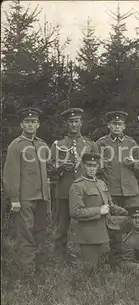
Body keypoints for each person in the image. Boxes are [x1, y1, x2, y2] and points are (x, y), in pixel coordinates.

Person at [3, 107, 51, 275]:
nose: (30, 125)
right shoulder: (15, 146)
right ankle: (27, 272)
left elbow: (47, 169)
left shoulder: (42, 144)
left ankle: (38, 266)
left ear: (38, 124)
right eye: (27, 122)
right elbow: (10, 174)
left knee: (40, 231)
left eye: (34, 122)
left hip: (42, 197)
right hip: (25, 198)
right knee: (25, 234)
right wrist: (14, 198)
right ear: (21, 124)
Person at [49, 108, 99, 262]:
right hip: (65, 190)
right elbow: (50, 169)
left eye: (76, 121)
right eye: (71, 121)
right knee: (62, 225)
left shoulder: (90, 144)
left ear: (81, 123)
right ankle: (59, 256)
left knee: (89, 223)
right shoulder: (58, 145)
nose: (74, 124)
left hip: (85, 191)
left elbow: (99, 167)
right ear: (66, 124)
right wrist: (62, 167)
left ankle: (89, 256)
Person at [68, 153, 127, 266]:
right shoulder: (77, 186)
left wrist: (126, 212)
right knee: (89, 270)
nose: (92, 169)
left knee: (104, 267)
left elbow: (110, 206)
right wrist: (99, 210)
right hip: (88, 236)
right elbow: (75, 212)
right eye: (88, 166)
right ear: (82, 166)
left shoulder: (101, 183)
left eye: (94, 166)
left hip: (104, 233)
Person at [96, 111, 139, 207]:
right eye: (114, 124)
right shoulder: (101, 143)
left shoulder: (131, 143)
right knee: (113, 220)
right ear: (108, 125)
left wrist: (133, 163)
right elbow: (96, 168)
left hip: (130, 191)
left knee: (134, 218)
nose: (117, 127)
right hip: (111, 191)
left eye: (119, 124)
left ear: (124, 126)